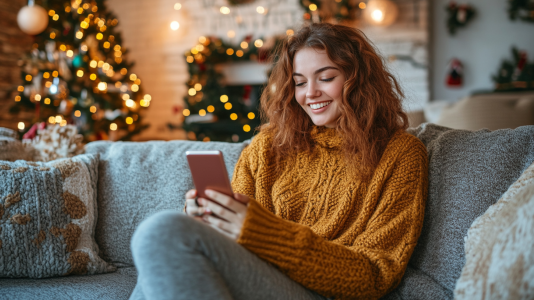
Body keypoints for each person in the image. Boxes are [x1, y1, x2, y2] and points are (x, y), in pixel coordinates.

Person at [130, 23, 428, 300]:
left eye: (326, 78)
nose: (310, 93)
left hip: (321, 293)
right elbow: (232, 232)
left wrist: (261, 232)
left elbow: (374, 276)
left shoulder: (401, 155)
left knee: (159, 232)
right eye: (299, 82)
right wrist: (207, 215)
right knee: (163, 237)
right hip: (253, 276)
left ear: (358, 80)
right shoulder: (268, 146)